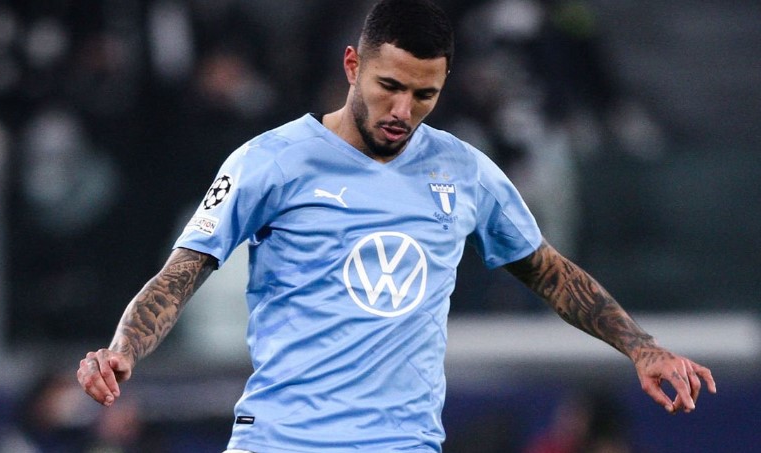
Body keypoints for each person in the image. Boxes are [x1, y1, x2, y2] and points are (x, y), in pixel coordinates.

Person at [77, 1, 716, 452]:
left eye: (424, 95)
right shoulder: (270, 161)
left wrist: (641, 347)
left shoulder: (464, 171)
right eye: (389, 86)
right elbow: (183, 272)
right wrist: (123, 348)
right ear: (352, 65)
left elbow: (547, 270)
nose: (403, 111)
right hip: (282, 441)